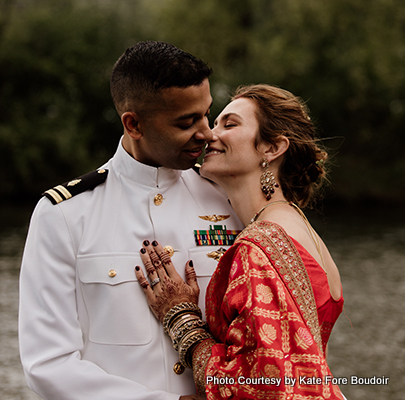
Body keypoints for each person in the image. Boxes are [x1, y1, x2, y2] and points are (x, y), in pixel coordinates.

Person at [18, 41, 242, 400]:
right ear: (133, 124)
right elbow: (48, 363)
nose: (207, 132)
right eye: (187, 122)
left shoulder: (227, 197)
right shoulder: (64, 214)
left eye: (207, 114)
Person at [135, 84, 345, 399]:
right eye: (214, 122)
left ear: (273, 148)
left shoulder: (258, 246)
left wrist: (181, 318)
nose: (208, 134)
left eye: (229, 124)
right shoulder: (300, 228)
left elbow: (259, 382)